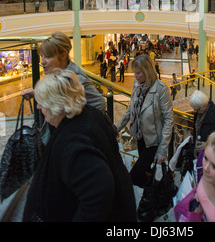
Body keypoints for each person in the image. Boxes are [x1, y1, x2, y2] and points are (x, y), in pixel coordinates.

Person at [22, 69, 136, 222]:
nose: (38, 107)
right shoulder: (90, 114)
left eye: (41, 103)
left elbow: (99, 190)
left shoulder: (74, 141)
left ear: (56, 105)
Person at [117, 54, 173, 217]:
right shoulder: (137, 84)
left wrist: (163, 150)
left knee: (134, 176)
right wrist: (118, 128)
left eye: (138, 73)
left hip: (154, 140)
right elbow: (130, 109)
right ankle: (151, 197)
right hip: (140, 137)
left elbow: (169, 119)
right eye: (134, 72)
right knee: (144, 171)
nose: (135, 76)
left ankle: (154, 191)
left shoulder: (160, 89)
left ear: (147, 72)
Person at [24, 31, 106, 114]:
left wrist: (82, 123)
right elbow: (58, 92)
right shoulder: (59, 73)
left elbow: (100, 103)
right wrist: (37, 93)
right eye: (42, 56)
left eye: (48, 57)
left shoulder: (75, 79)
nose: (42, 62)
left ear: (63, 55)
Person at [190, 90, 215, 154]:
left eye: (196, 109)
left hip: (210, 152)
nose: (194, 111)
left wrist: (207, 144)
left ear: (204, 106)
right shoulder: (199, 112)